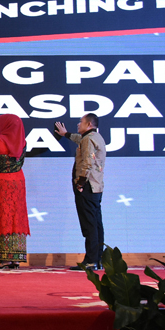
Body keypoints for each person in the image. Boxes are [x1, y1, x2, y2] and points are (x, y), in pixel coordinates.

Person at [55, 113, 107, 271]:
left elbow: (87, 161)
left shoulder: (88, 139)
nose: (78, 124)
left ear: (89, 124)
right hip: (96, 187)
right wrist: (66, 135)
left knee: (89, 225)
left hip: (87, 187)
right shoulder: (96, 137)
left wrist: (80, 183)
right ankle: (97, 259)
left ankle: (90, 261)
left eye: (81, 122)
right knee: (96, 224)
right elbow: (81, 140)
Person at [0, 114, 29, 270]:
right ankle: (16, 259)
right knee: (18, 216)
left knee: (3, 216)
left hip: (2, 182)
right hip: (19, 182)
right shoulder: (22, 142)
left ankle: (5, 259)